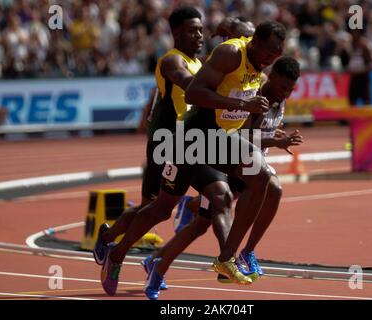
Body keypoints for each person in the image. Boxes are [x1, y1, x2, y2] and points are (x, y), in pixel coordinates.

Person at [93, 8, 254, 297]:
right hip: (164, 144)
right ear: (176, 33)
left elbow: (253, 44)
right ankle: (111, 245)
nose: (200, 35)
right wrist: (220, 80)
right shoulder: (171, 61)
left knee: (221, 197)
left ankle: (226, 259)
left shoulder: (202, 62)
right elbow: (190, 85)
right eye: (193, 30)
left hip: (193, 142)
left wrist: (234, 34)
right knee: (154, 209)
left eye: (202, 30)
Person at [144, 56, 303, 299]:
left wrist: (275, 135)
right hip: (232, 165)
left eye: (290, 90)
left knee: (200, 225)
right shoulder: (256, 98)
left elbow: (262, 132)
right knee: (209, 220)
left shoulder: (278, 103)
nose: (285, 94)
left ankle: (162, 258)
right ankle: (230, 254)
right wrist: (274, 140)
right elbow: (243, 136)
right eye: (282, 88)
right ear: (270, 78)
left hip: (247, 171)